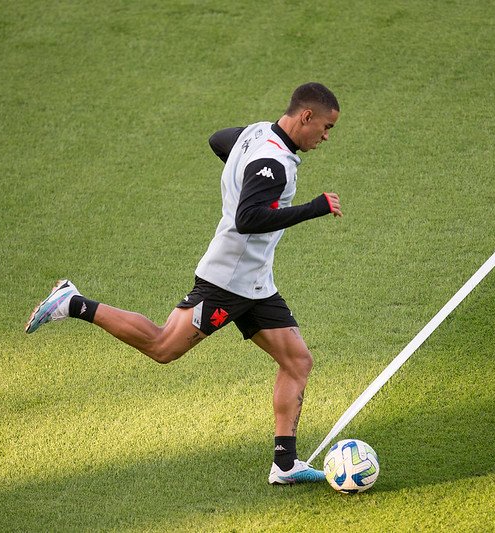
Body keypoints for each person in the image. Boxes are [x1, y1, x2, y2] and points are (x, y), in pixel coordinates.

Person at [25, 82, 342, 485]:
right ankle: (73, 302)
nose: (326, 137)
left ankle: (285, 465)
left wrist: (241, 170)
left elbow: (219, 140)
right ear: (306, 116)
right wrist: (313, 208)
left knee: (298, 361)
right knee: (162, 346)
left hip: (257, 283)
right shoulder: (273, 162)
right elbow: (248, 218)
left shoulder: (257, 133)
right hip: (226, 282)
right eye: (326, 127)